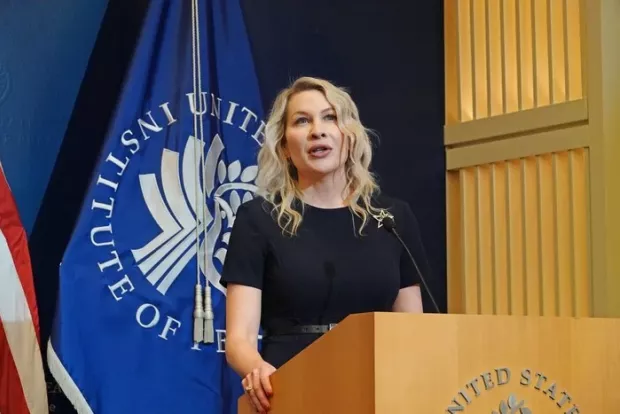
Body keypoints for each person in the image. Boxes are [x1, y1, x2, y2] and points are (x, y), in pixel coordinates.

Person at [221, 76, 430, 413]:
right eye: (302, 121)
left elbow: (412, 329)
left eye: (330, 117)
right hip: (289, 388)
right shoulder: (258, 219)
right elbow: (238, 339)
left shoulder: (392, 219)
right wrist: (257, 369)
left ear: (350, 135)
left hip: (378, 389)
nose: (317, 131)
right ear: (284, 146)